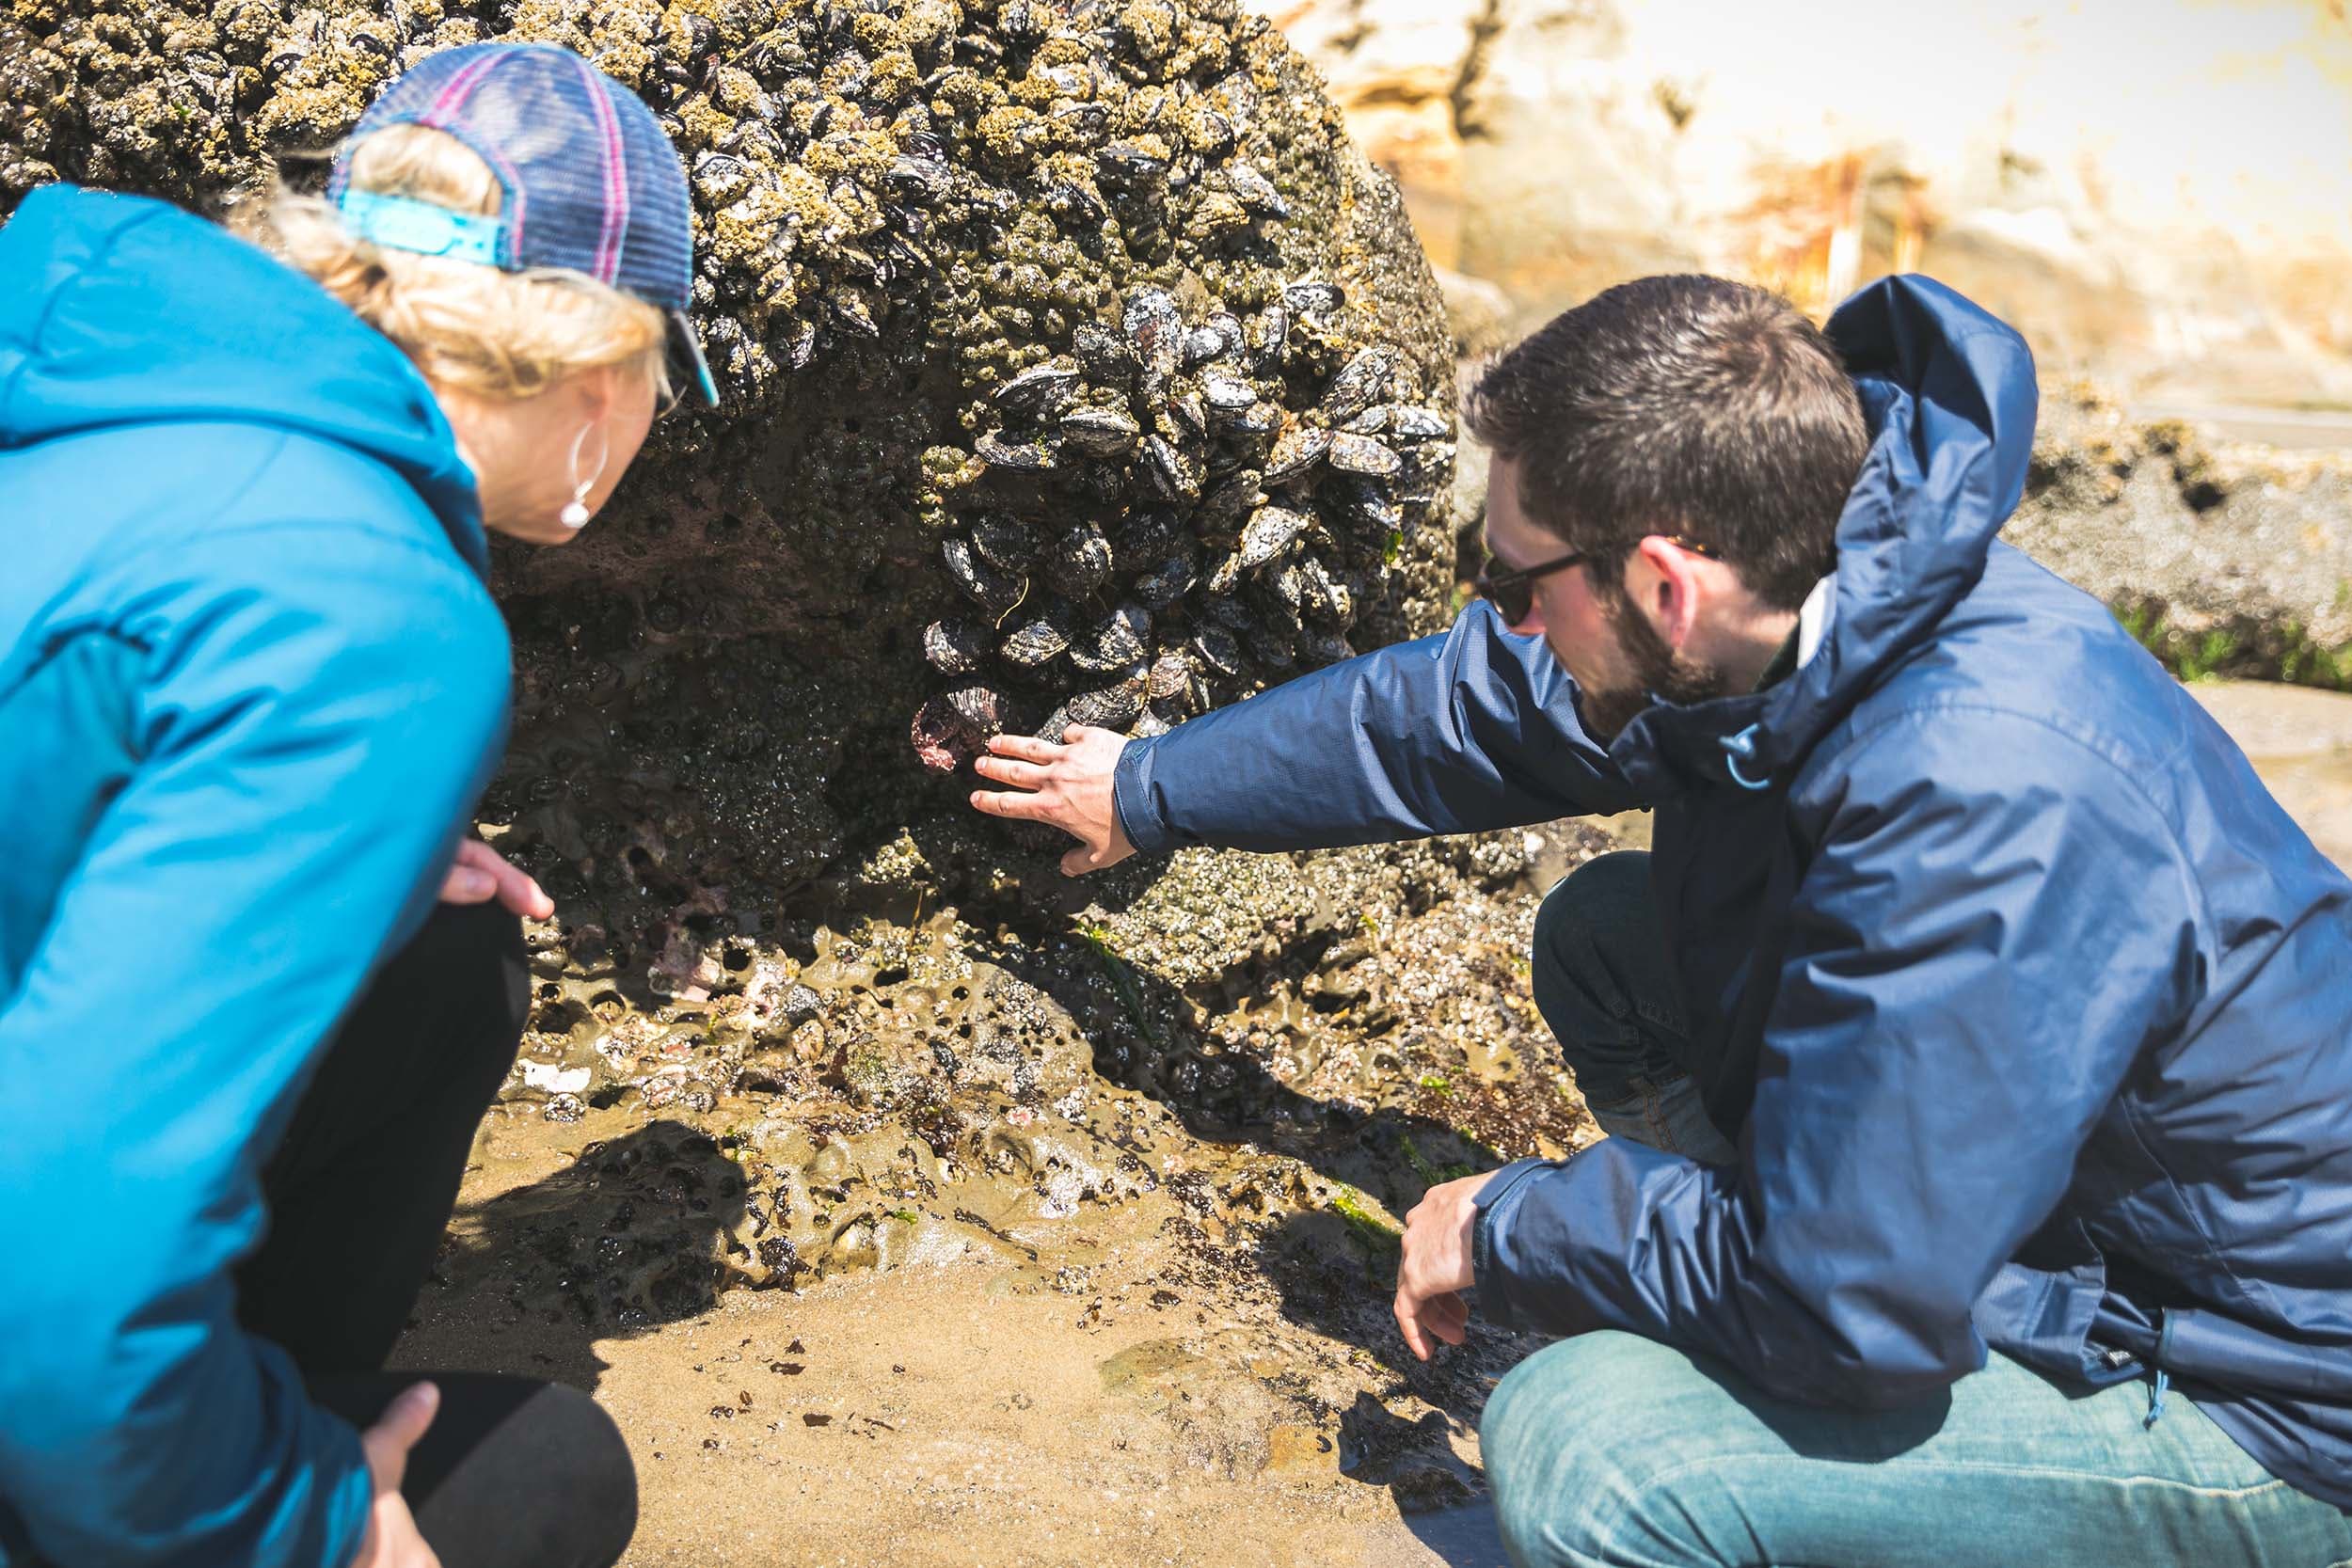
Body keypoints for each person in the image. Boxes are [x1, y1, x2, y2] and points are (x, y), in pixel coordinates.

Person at [971, 274, 2352, 1564]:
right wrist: (1148, 789)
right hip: (2063, 1221)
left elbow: (1850, 1303)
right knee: (1612, 939)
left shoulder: (1978, 790)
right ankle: (1767, 1305)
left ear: (1663, 583)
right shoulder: (1821, 589)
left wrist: (1515, 1227)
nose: (1499, 614)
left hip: (2260, 1390)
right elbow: (1463, 717)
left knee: (1591, 1445)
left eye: (1515, 582)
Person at [0, 41, 718, 1568]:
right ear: (600, 383)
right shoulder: (372, 610)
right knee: (551, 1481)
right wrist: (305, 1524)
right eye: (663, 381)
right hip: (42, 1316)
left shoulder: (91, 396)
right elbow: (50, 1266)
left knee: (446, 964)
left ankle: (223, 1406)